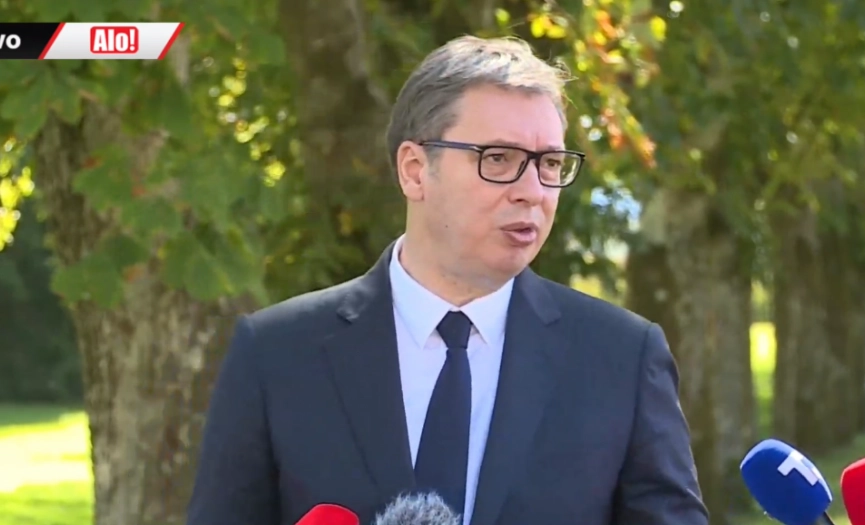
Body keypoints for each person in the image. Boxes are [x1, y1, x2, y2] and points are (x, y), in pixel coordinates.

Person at [186, 35, 709, 525]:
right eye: (499, 159)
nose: (533, 190)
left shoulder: (621, 358)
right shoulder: (277, 353)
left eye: (549, 163)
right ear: (415, 170)